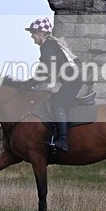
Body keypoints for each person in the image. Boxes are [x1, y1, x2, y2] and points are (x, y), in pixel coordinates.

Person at [25, 17, 81, 152]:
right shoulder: (50, 45)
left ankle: (63, 141)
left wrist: (29, 83)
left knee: (58, 105)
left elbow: (45, 72)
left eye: (33, 33)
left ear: (41, 33)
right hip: (73, 79)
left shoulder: (48, 47)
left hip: (72, 80)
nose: (32, 36)